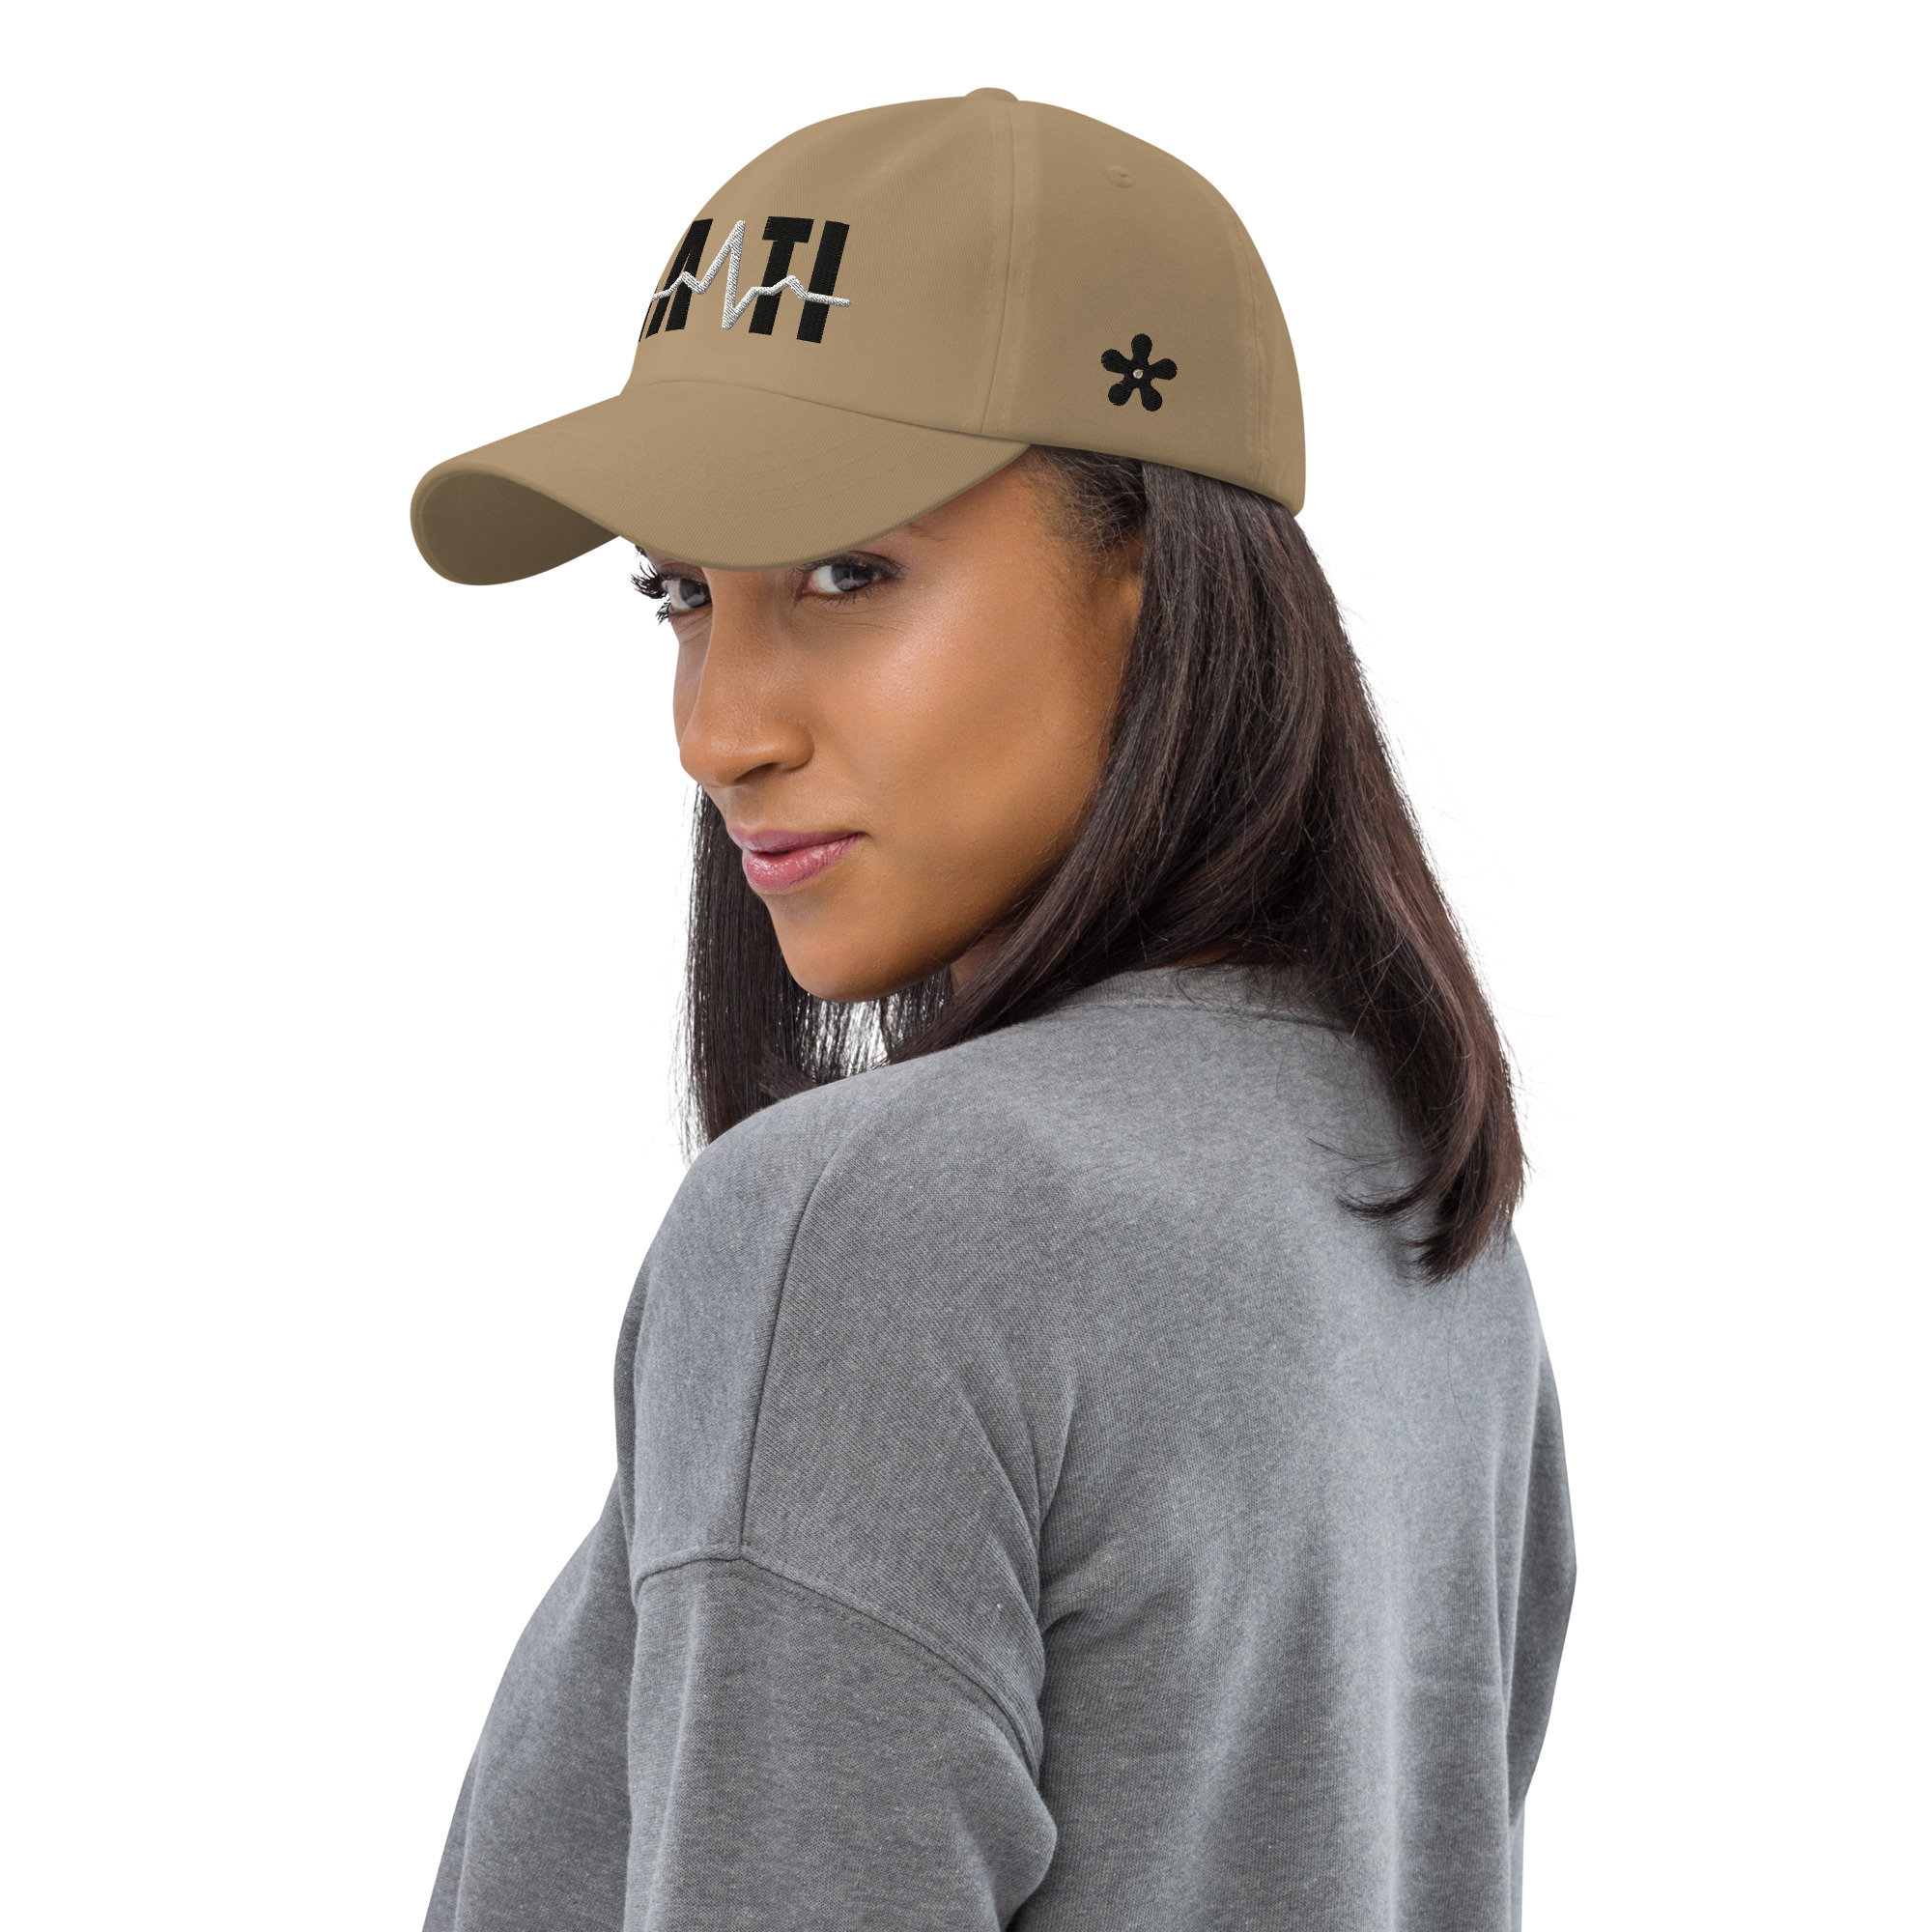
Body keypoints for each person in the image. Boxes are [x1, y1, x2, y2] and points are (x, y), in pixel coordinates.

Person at [408, 87, 1575, 1932]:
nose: (719, 729)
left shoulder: (873, 1226)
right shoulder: (1420, 1212)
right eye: (682, 595)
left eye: (848, 572)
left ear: (1155, 587)